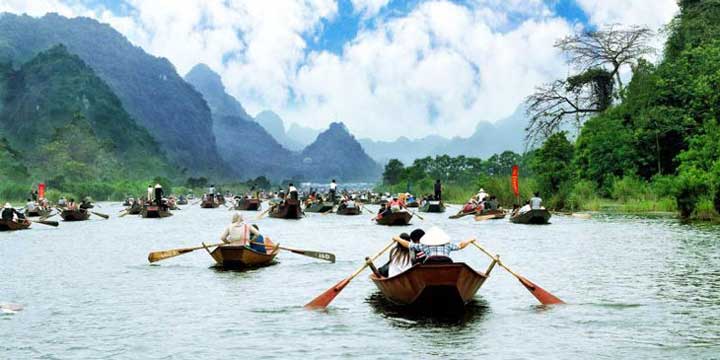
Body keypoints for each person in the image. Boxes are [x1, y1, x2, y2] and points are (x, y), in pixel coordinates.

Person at [393, 226, 475, 264]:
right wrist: (470, 240)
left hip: (429, 266)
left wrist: (397, 239)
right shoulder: (448, 245)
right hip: (446, 267)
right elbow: (461, 245)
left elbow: (408, 245)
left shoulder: (425, 246)